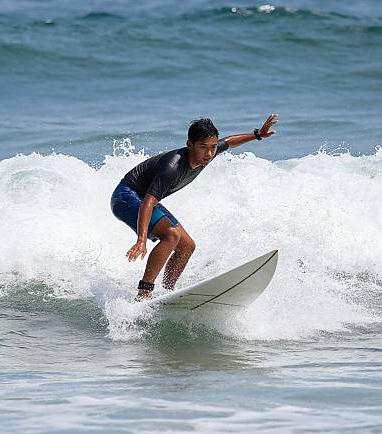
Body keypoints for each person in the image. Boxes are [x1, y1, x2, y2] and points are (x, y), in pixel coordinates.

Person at [110, 114, 278, 300]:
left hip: (144, 198)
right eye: (203, 147)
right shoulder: (172, 166)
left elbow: (229, 142)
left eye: (213, 147)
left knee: (187, 246)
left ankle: (167, 293)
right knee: (171, 235)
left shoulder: (208, 153)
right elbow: (148, 202)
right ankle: (144, 292)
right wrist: (141, 240)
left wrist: (258, 135)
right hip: (125, 196)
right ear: (190, 145)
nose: (209, 153)